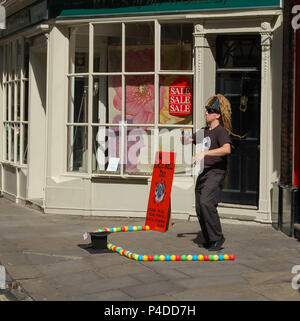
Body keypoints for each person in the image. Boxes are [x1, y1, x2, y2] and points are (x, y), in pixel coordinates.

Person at [182, 94, 232, 251]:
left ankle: (217, 237)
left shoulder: (220, 131)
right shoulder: (204, 131)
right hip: (204, 173)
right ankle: (209, 238)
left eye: (209, 111)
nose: (206, 113)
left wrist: (205, 153)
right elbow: (188, 140)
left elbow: (227, 149)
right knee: (199, 206)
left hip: (215, 172)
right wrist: (184, 137)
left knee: (206, 202)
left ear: (217, 115)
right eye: (206, 110)